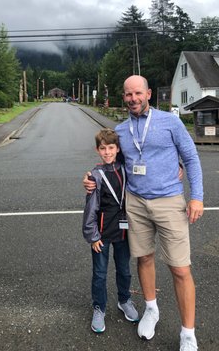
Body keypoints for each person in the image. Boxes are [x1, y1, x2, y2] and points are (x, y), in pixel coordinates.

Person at [84, 75, 203, 351]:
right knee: (144, 258)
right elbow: (112, 160)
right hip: (135, 203)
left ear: (148, 93)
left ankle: (188, 333)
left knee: (180, 268)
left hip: (169, 201)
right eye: (128, 94)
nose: (133, 99)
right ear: (123, 97)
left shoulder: (170, 122)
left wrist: (196, 196)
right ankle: (151, 308)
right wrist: (90, 177)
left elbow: (191, 157)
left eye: (138, 93)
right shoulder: (121, 130)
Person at [82, 128, 139, 333]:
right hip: (102, 234)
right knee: (100, 273)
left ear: (118, 149)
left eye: (111, 148)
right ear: (97, 150)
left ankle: (124, 300)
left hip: (123, 232)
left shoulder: (125, 168)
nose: (107, 152)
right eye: (103, 148)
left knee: (124, 270)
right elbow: (91, 208)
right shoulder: (95, 175)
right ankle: (99, 307)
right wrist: (92, 235)